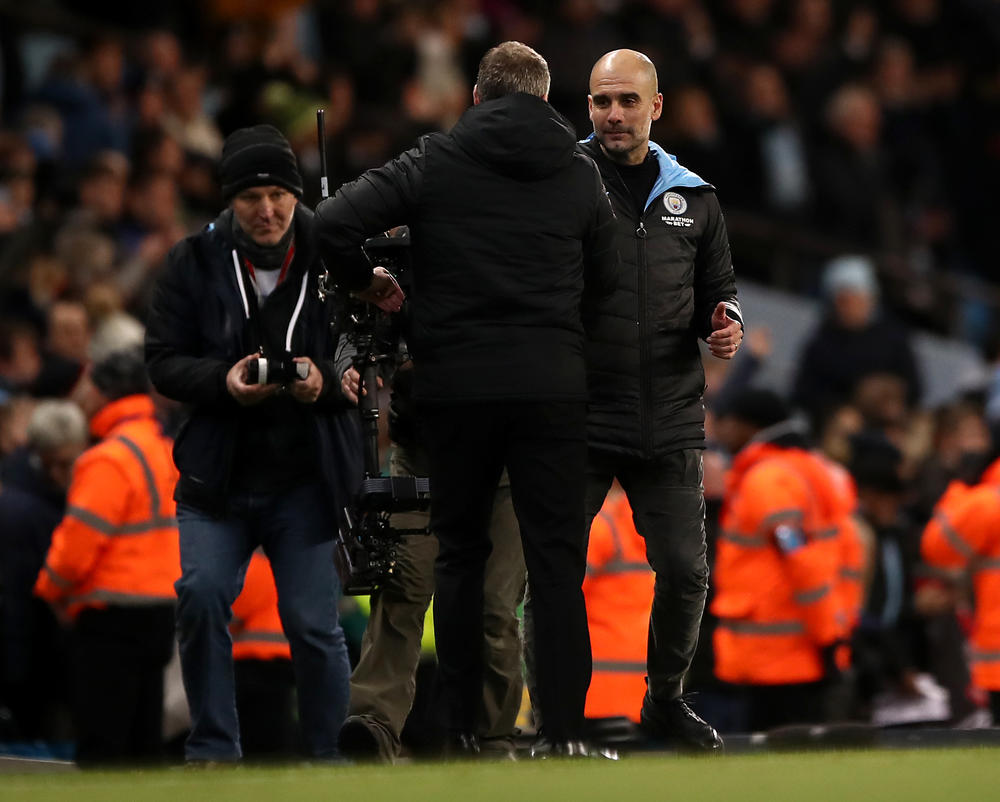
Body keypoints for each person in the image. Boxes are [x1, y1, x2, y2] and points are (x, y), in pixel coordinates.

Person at [316, 41, 618, 756]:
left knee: (443, 566)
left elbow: (330, 225)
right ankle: (536, 737)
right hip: (547, 396)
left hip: (450, 396)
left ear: (476, 98)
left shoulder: (435, 162)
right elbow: (608, 285)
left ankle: (450, 730)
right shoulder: (579, 175)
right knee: (535, 580)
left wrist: (366, 281)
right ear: (546, 103)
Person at [144, 124, 361, 763]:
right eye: (250, 198)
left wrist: (323, 382)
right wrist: (222, 381)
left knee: (314, 624)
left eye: (278, 195)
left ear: (296, 195)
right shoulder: (194, 260)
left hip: (304, 477)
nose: (266, 211)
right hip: (219, 478)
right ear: (229, 201)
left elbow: (363, 350)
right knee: (202, 599)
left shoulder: (330, 251)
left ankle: (330, 759)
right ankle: (213, 751)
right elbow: (161, 361)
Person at [576, 49, 743, 751]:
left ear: (657, 106)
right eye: (601, 101)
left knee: (685, 571)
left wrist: (726, 319)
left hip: (670, 413)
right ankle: (555, 715)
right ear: (587, 106)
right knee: (548, 571)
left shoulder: (696, 198)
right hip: (580, 412)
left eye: (626, 101)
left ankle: (665, 700)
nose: (613, 114)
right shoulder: (564, 180)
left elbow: (720, 286)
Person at [33, 347, 179, 764]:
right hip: (160, 608)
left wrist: (49, 591)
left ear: (101, 393)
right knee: (144, 745)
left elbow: (76, 547)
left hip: (110, 615)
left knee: (103, 747)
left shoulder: (107, 459)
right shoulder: (165, 449)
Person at [711, 389, 850, 732]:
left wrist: (826, 635)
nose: (718, 434)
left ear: (746, 426)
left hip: (777, 656)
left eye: (725, 423)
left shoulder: (767, 480)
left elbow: (798, 557)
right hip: (796, 648)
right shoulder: (801, 468)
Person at [0, 399, 87, 742]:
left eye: (68, 463)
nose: (60, 475)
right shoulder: (19, 511)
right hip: (36, 658)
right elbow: (19, 601)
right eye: (54, 464)